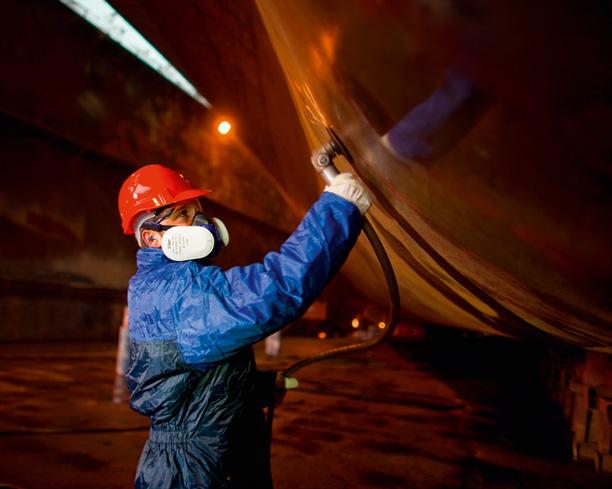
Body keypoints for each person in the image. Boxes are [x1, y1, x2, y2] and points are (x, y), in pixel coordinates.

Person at [117, 163, 371, 489]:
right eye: (182, 213)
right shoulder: (182, 292)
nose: (200, 222)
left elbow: (182, 380)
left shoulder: (163, 286)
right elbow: (276, 288)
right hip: (195, 472)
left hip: (206, 460)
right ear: (151, 237)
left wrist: (254, 387)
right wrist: (339, 208)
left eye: (198, 211)